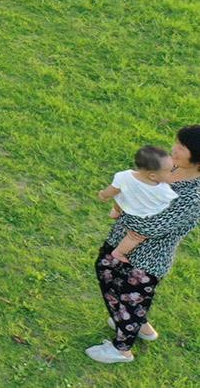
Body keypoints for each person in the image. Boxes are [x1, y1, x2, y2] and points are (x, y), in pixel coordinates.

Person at [88, 125, 200, 363]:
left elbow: (152, 226)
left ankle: (122, 350)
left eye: (182, 147)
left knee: (130, 298)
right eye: (177, 142)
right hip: (122, 238)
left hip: (148, 258)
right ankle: (139, 325)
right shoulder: (171, 167)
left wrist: (123, 205)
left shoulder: (194, 195)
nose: (175, 149)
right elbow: (138, 181)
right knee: (110, 275)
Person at [99, 146, 178, 220]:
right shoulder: (163, 189)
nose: (172, 173)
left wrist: (104, 195)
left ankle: (116, 211)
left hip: (126, 205)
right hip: (143, 215)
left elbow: (113, 190)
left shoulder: (124, 176)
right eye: (169, 171)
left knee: (122, 194)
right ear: (152, 176)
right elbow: (170, 202)